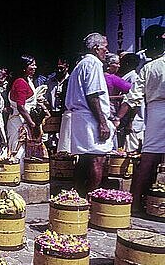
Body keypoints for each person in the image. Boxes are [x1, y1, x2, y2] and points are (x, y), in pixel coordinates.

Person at [115, 25, 165, 212]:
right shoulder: (151, 67)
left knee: (148, 159)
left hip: (155, 113)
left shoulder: (149, 68)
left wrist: (118, 118)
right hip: (156, 111)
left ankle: (135, 205)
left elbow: (133, 97)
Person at [65, 32, 114, 196]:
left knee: (85, 159)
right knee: (96, 159)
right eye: (104, 48)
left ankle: (78, 196)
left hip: (81, 117)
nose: (106, 51)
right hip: (89, 117)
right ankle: (89, 197)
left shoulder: (81, 65)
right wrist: (102, 122)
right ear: (95, 48)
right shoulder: (93, 64)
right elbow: (93, 95)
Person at [6, 55, 38, 160]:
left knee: (24, 150)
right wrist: (32, 124)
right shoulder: (20, 82)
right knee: (18, 150)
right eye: (32, 65)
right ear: (24, 67)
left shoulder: (26, 80)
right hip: (18, 122)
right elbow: (20, 107)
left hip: (21, 120)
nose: (35, 67)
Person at [118, 53, 144, 152]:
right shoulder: (126, 77)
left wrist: (130, 122)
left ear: (128, 63)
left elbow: (135, 102)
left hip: (132, 122)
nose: (120, 65)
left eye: (122, 62)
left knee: (130, 150)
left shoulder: (133, 78)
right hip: (125, 121)